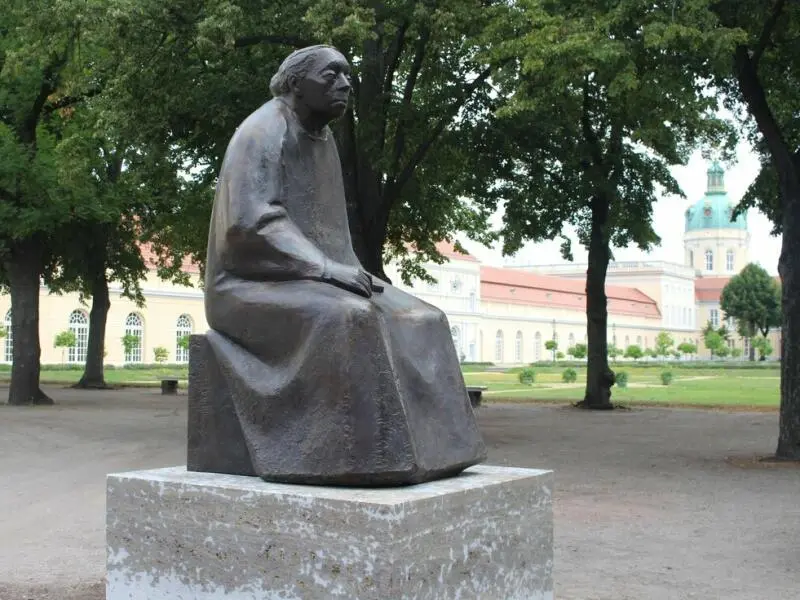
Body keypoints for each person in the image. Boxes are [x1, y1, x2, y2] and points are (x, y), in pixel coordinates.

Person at [203, 45, 486, 486]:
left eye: (348, 75)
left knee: (427, 318)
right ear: (296, 83)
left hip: (312, 273)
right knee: (352, 317)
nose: (346, 83)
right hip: (247, 285)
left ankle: (445, 452)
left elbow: (332, 235)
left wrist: (351, 273)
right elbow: (250, 226)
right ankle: (350, 457)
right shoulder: (261, 131)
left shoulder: (323, 139)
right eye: (331, 75)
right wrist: (327, 271)